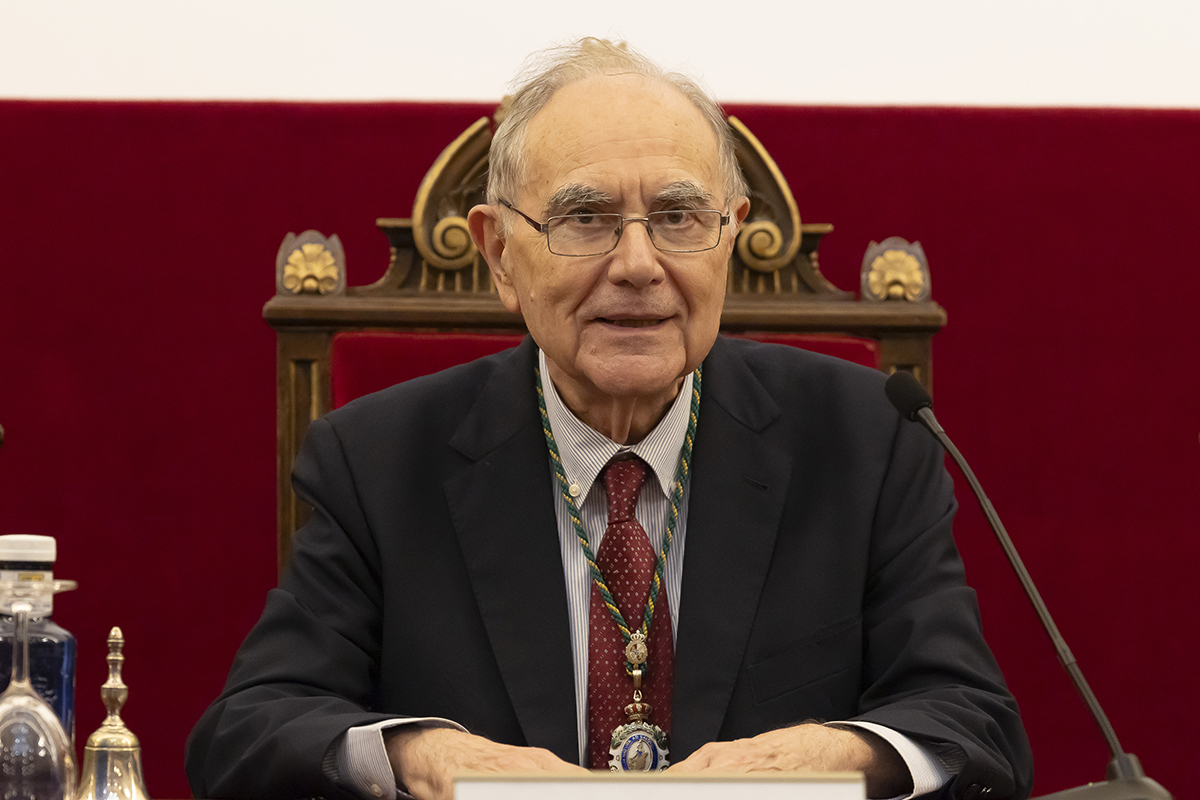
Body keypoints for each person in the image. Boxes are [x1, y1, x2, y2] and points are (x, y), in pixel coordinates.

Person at [186, 38, 1033, 800]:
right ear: (499, 254)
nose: (637, 264)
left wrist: (835, 753)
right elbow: (250, 729)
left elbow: (974, 723)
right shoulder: (376, 462)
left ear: (731, 237)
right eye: (585, 218)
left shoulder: (868, 442)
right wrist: (424, 754)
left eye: (678, 217)